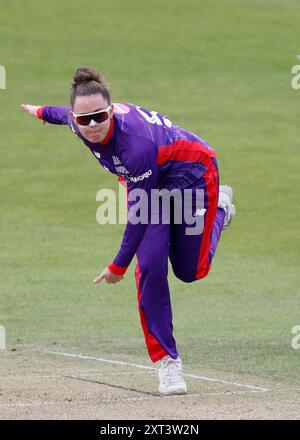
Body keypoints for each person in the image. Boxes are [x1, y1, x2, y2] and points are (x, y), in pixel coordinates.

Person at [21, 66, 235, 395]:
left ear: (110, 110)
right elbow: (60, 113)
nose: (92, 125)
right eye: (84, 120)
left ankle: (219, 208)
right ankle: (167, 362)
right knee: (149, 266)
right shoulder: (77, 123)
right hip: (150, 186)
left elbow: (140, 215)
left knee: (191, 271)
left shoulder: (135, 145)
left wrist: (118, 264)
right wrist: (38, 112)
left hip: (193, 176)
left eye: (99, 117)